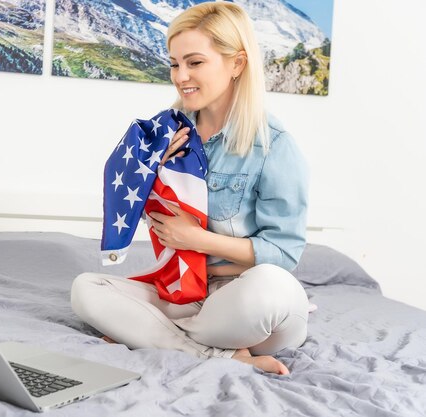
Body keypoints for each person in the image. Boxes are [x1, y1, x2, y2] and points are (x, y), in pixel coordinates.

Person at [71, 2, 310, 375]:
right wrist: (151, 172)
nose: (181, 76)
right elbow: (146, 217)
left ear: (237, 64)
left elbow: (283, 253)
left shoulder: (274, 146)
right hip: (187, 295)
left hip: (247, 301)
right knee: (85, 289)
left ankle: (151, 333)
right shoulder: (166, 137)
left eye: (195, 62)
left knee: (270, 289)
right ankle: (213, 353)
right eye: (174, 63)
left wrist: (199, 240)